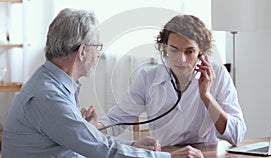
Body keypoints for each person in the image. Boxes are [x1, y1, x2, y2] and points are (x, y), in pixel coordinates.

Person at [1, 8, 203, 158]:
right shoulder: (49, 96)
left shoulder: (53, 84)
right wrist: (168, 157)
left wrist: (133, 146)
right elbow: (100, 149)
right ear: (82, 52)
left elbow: (90, 141)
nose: (99, 53)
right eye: (97, 46)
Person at [94, 14, 247, 146]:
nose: (181, 59)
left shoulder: (218, 74)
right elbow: (118, 119)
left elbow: (236, 135)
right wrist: (92, 127)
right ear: (165, 49)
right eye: (174, 50)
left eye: (189, 51)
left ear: (201, 52)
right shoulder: (148, 78)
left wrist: (206, 97)